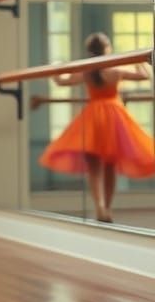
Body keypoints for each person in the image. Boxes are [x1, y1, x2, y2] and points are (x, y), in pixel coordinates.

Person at [36, 31, 154, 222]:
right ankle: (107, 208)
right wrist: (138, 57)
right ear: (108, 49)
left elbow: (61, 81)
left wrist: (56, 66)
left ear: (89, 51)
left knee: (94, 167)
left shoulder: (86, 70)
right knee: (110, 166)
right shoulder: (115, 69)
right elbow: (144, 75)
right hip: (114, 116)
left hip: (92, 117)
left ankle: (99, 205)